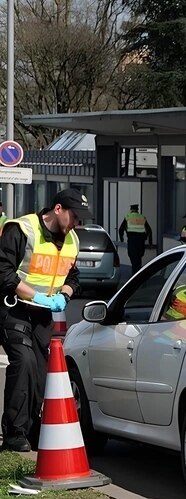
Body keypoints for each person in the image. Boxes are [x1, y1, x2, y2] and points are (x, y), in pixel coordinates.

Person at [0, 188, 90, 452]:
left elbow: (73, 278)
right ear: (58, 209)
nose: (77, 223)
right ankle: (14, 434)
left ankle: (33, 431)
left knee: (40, 373)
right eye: (74, 216)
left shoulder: (73, 240)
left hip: (42, 315)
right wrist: (38, 297)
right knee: (24, 361)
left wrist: (64, 295)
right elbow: (4, 273)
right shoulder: (22, 230)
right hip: (13, 308)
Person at [118, 203, 153, 272]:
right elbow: (149, 230)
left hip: (132, 240)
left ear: (131, 210)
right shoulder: (142, 217)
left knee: (133, 258)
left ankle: (134, 275)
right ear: (137, 210)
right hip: (141, 241)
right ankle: (138, 274)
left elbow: (120, 229)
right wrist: (150, 243)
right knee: (139, 259)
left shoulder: (128, 216)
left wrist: (121, 239)